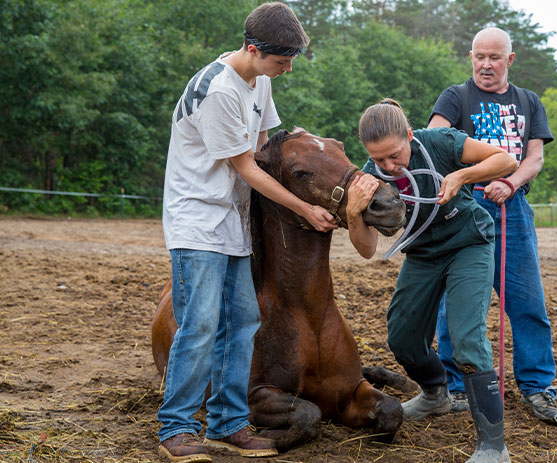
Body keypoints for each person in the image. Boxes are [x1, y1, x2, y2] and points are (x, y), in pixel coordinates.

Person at [159, 3, 337, 462]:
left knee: (242, 322)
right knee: (199, 326)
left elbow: (260, 147)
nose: (288, 68)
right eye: (282, 60)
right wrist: (303, 208)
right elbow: (247, 169)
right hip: (198, 221)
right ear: (254, 49)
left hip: (232, 221)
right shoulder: (219, 90)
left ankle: (226, 423)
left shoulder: (258, 79)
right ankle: (175, 428)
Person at [347, 98, 517, 463]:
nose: (389, 166)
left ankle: (493, 446)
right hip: (423, 252)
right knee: (403, 337)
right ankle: (435, 396)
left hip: (468, 243)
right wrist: (352, 213)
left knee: (466, 337)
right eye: (379, 160)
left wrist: (462, 175)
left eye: (395, 155)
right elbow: (365, 249)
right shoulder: (369, 178)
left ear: (409, 135)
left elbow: (507, 160)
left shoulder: (438, 142)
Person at [428, 27, 557, 423]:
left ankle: (538, 388)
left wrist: (510, 181)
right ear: (471, 56)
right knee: (457, 302)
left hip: (513, 210)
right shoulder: (456, 97)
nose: (486, 65)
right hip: (466, 208)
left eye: (494, 58)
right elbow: (434, 139)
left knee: (528, 303)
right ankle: (454, 387)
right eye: (479, 57)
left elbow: (534, 158)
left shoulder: (528, 101)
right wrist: (471, 178)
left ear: (510, 60)